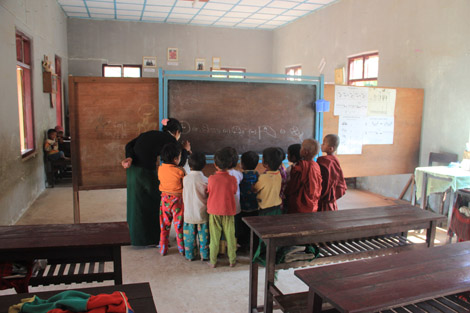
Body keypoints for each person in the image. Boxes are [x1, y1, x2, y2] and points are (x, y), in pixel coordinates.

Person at [121, 118, 190, 247]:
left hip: (132, 170)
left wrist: (129, 157)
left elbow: (129, 145)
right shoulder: (171, 141)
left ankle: (136, 237)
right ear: (176, 132)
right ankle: (154, 239)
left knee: (136, 204)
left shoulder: (150, 134)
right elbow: (177, 161)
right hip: (145, 172)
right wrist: (185, 149)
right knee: (155, 203)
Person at [207, 147, 238, 268]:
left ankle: (213, 261)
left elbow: (208, 191)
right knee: (230, 236)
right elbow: (234, 191)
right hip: (228, 211)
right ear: (230, 164)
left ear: (215, 164)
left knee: (214, 237)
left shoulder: (211, 179)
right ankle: (232, 260)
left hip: (214, 211)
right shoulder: (232, 179)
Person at [252, 147, 284, 265]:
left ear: (264, 163)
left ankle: (263, 256)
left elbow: (255, 189)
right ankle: (275, 253)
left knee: (263, 235)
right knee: (275, 233)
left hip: (265, 210)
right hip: (277, 209)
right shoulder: (279, 174)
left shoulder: (263, 177)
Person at [158, 142, 186, 256]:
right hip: (177, 201)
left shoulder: (160, 169)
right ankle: (182, 249)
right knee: (179, 226)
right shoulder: (180, 171)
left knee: (164, 226)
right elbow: (186, 184)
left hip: (164, 199)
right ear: (175, 159)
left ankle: (163, 249)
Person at [182, 152, 209, 261]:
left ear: (189, 165)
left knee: (189, 238)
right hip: (202, 214)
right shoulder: (206, 180)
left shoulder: (185, 179)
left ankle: (190, 255)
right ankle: (205, 255)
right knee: (204, 238)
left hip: (189, 214)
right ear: (204, 164)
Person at [285, 139, 322, 213]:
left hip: (299, 201)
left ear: (305, 152)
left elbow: (293, 186)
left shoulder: (299, 167)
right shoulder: (316, 165)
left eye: (301, 147)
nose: (300, 149)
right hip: (312, 200)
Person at [317, 134, 347, 211]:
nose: (321, 145)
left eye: (323, 144)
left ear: (330, 148)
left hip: (325, 195)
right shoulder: (335, 159)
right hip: (331, 195)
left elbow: (325, 180)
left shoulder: (324, 161)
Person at [237, 151, 260, 249]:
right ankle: (253, 244)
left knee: (243, 226)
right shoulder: (257, 174)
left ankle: (243, 244)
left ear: (242, 164)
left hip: (242, 206)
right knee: (253, 226)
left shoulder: (240, 175)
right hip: (254, 206)